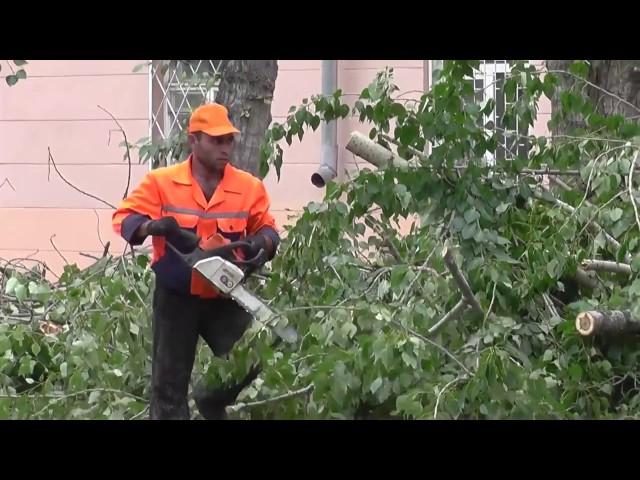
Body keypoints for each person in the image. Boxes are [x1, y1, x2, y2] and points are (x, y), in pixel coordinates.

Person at [112, 103, 280, 420]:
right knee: (168, 390)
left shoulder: (247, 187)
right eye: (216, 140)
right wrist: (153, 227)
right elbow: (124, 219)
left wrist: (262, 244)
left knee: (257, 353)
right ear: (194, 140)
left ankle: (212, 398)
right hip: (177, 298)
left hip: (225, 294)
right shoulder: (162, 182)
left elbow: (268, 229)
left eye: (229, 140)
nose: (225, 147)